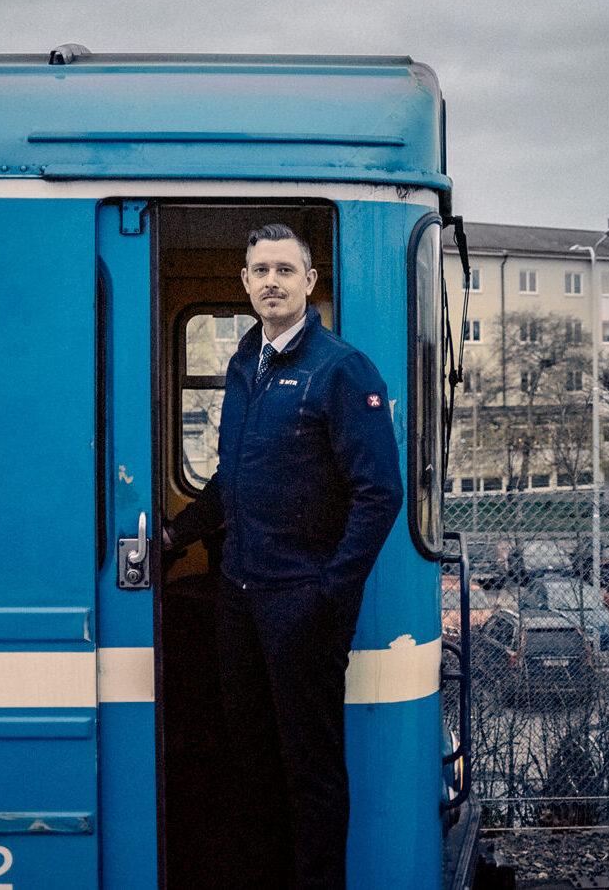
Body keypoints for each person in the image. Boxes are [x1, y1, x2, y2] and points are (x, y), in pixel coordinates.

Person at [166, 222, 403, 889]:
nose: (271, 281)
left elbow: (378, 494)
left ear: (309, 282)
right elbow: (231, 480)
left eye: (284, 270)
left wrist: (328, 594)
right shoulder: (246, 362)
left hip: (300, 603)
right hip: (238, 597)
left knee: (310, 769)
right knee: (250, 758)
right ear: (243, 283)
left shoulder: (339, 368)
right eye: (259, 270)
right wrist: (173, 538)